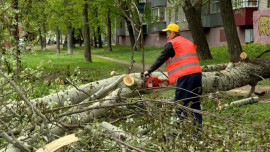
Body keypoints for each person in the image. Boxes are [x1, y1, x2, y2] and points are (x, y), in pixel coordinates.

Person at [144, 23, 203, 133]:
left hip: (186, 77)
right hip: (197, 75)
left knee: (180, 103)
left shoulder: (172, 43)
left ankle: (178, 132)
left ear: (173, 33)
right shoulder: (187, 42)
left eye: (168, 33)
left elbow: (161, 58)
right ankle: (198, 130)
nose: (167, 35)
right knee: (195, 103)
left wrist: (149, 71)